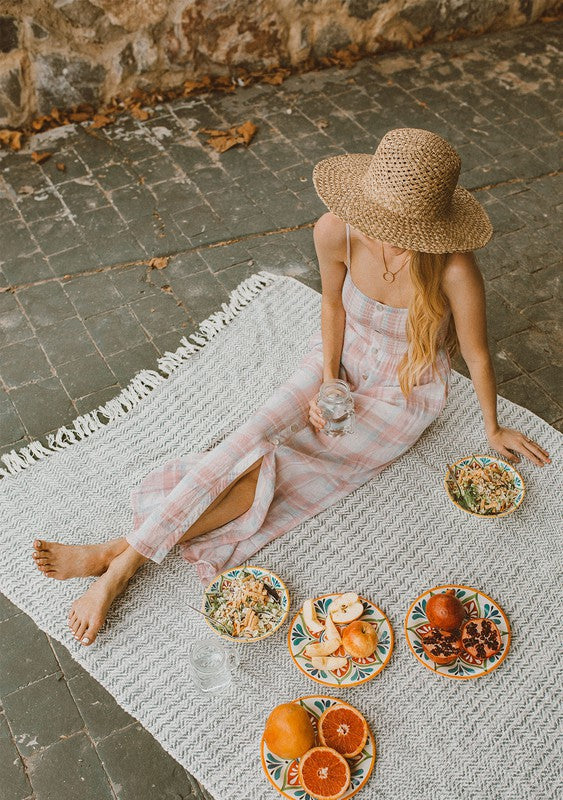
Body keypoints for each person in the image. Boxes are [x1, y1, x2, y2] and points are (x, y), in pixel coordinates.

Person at [32, 128, 550, 646]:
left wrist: (493, 426)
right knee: (247, 440)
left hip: (403, 392)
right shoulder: (337, 230)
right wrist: (328, 383)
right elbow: (331, 307)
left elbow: (477, 354)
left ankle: (117, 560)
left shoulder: (455, 270)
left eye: (406, 227)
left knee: (275, 473)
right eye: (385, 220)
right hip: (336, 359)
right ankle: (115, 560)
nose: (389, 235)